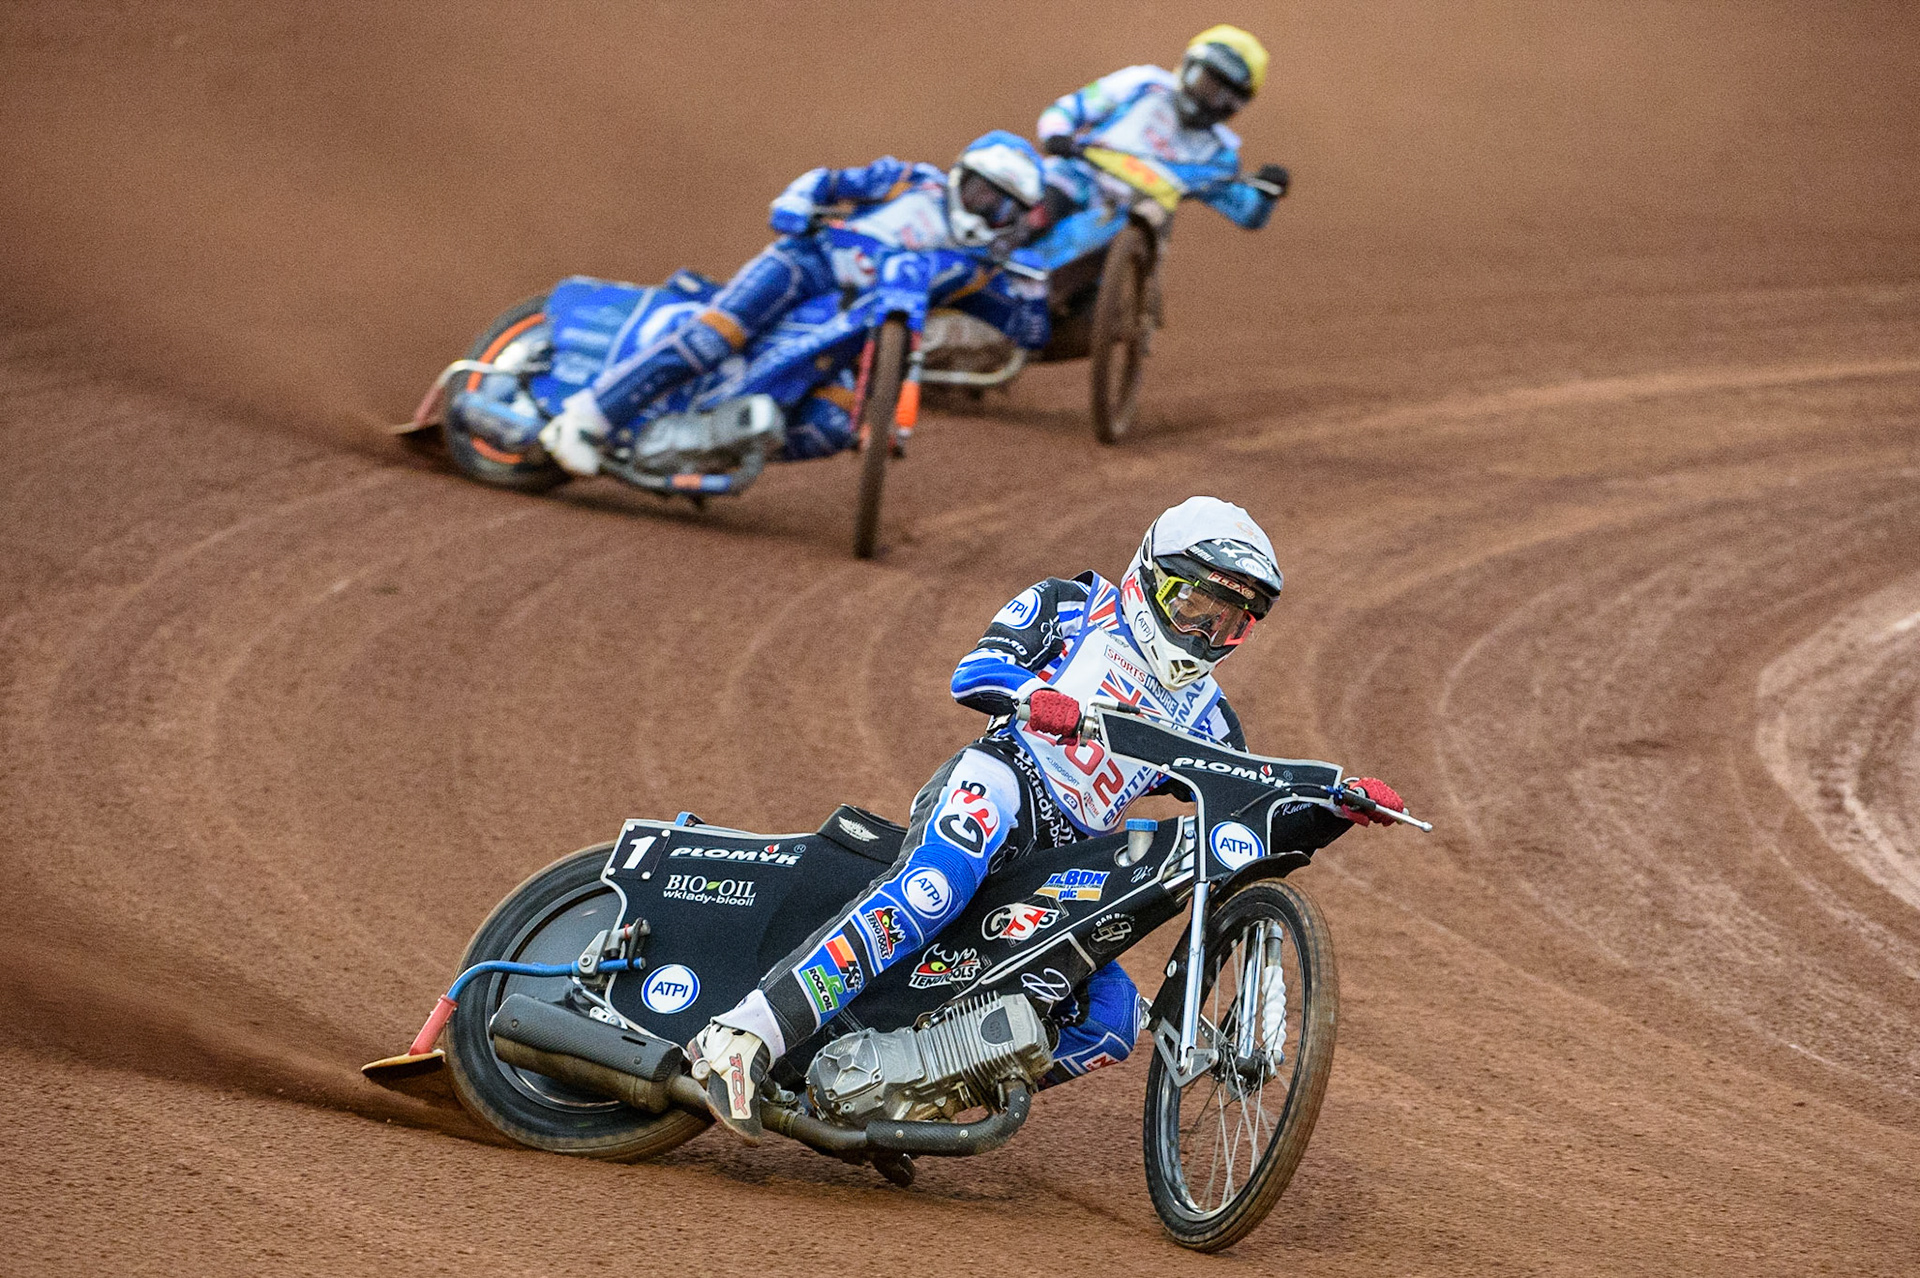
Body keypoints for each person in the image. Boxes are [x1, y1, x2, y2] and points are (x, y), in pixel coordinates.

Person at [689, 497, 1406, 1140]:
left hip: (1069, 862)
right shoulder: (1074, 605)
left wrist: (1333, 808)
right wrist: (1038, 698)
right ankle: (741, 1038)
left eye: (1229, 622)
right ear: (1151, 576)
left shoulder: (1210, 715)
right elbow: (975, 670)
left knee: (1113, 1021)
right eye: (1193, 605)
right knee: (932, 889)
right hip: (1002, 782)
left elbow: (1244, 822)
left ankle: (903, 1094)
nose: (1204, 633)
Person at [539, 132, 1048, 477]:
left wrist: (1034, 294)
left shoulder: (980, 267)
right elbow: (828, 181)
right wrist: (796, 204)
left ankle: (704, 448)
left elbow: (1026, 330)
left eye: (1003, 207)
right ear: (960, 176)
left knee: (834, 424)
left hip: (850, 330)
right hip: (805, 265)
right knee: (714, 337)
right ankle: (588, 418)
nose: (987, 209)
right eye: (982, 193)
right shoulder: (912, 181)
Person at [1030, 25, 1291, 234]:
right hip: (1077, 177)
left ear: (1236, 105)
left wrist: (1267, 193)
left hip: (1130, 225)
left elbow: (1246, 212)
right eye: (1204, 83)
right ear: (1187, 68)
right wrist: (1056, 135)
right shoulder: (1143, 83)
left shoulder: (1220, 157)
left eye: (1222, 96)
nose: (1207, 99)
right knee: (1039, 210)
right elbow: (1070, 108)